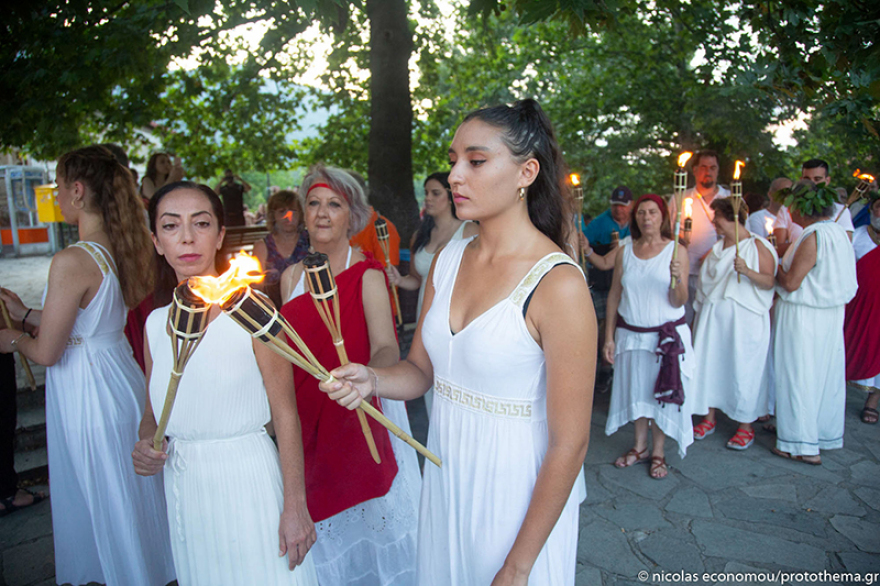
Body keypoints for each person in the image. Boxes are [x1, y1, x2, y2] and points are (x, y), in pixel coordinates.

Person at [318, 99, 595, 584]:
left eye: (476, 160)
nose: (456, 176)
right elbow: (422, 371)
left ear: (526, 172)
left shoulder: (557, 284)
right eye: (453, 161)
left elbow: (570, 444)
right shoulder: (448, 259)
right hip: (446, 474)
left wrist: (518, 564)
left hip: (517, 496)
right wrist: (372, 379)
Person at [0, 146, 174, 586]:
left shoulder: (71, 260)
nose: (55, 195)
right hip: (116, 373)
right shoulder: (116, 246)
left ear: (77, 191)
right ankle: (146, 568)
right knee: (126, 491)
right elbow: (85, 325)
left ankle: (127, 574)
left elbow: (48, 353)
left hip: (89, 390)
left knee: (106, 492)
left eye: (58, 186)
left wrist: (13, 339)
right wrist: (24, 313)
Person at [131, 181, 318, 585]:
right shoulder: (154, 324)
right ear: (155, 241)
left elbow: (286, 413)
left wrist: (295, 505)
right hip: (186, 486)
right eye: (170, 226)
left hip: (247, 479)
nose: (186, 237)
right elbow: (152, 413)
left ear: (219, 236)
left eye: (200, 224)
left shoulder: (253, 312)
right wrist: (147, 443)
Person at [278, 165, 420, 585]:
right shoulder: (290, 278)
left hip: (361, 408)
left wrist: (368, 377)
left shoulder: (369, 273)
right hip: (310, 417)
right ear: (303, 213)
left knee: (378, 522)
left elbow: (386, 346)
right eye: (314, 204)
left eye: (334, 205)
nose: (323, 213)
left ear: (352, 216)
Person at [605, 194, 694, 479]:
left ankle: (658, 451)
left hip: (666, 338)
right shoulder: (625, 251)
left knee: (662, 398)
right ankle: (639, 446)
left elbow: (679, 300)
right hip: (631, 335)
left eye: (652, 212)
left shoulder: (676, 251)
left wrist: (677, 278)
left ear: (663, 217)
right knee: (638, 392)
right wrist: (608, 337)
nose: (646, 218)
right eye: (641, 213)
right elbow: (614, 295)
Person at [773, 181, 857, 465]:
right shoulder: (838, 233)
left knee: (798, 376)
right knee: (822, 377)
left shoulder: (814, 236)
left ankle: (800, 445)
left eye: (791, 205)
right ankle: (819, 434)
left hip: (804, 317)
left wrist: (775, 269)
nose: (789, 211)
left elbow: (793, 282)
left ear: (803, 208)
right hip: (831, 316)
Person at [385, 172, 478, 415]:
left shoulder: (469, 231)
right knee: (428, 380)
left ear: (450, 196)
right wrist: (399, 279)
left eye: (435, 193)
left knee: (457, 385)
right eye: (426, 193)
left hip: (457, 318)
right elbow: (418, 280)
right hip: (425, 317)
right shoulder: (420, 235)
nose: (428, 198)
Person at [690, 198, 778, 449]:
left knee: (743, 370)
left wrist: (747, 271)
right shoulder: (716, 249)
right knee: (711, 367)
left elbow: (769, 281)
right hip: (713, 319)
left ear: (732, 217)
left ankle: (745, 426)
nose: (713, 221)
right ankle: (709, 417)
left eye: (717, 216)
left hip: (745, 321)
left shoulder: (757, 245)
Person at [582, 186, 633, 391]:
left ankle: (619, 368)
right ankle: (603, 367)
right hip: (604, 280)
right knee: (604, 323)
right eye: (615, 206)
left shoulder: (636, 226)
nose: (618, 210)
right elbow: (585, 244)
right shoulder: (599, 223)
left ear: (631, 206)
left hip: (628, 282)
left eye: (622, 206)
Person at [677, 150, 731, 325]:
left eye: (713, 168)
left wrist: (715, 251)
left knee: (712, 324)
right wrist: (680, 241)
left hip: (721, 274)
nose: (708, 172)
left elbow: (743, 238)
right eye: (704, 167)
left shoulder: (730, 199)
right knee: (687, 321)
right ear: (694, 170)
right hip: (689, 272)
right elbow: (669, 233)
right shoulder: (681, 198)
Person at [845, 193, 880, 424]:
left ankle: (873, 402)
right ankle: (834, 395)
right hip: (855, 307)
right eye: (879, 207)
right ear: (871, 209)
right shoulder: (856, 237)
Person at [253, 190, 310, 307]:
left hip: (309, 308)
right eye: (282, 211)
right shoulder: (262, 246)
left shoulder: (312, 241)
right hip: (273, 311)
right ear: (273, 215)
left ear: (301, 215)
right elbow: (256, 288)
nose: (288, 216)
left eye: (293, 211)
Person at [800, 158, 855, 239]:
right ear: (801, 180)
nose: (812, 184)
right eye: (807, 179)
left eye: (817, 179)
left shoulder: (841, 211)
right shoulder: (789, 210)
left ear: (827, 180)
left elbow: (846, 244)